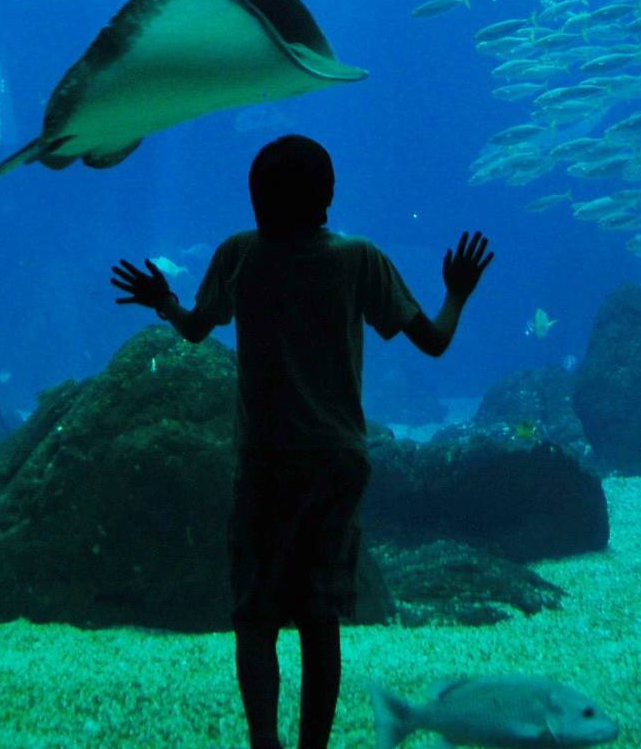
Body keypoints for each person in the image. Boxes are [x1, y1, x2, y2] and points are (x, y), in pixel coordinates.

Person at [110, 134, 493, 749]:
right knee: (320, 617)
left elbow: (192, 330)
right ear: (328, 198)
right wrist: (457, 292)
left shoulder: (239, 254)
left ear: (255, 198)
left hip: (265, 459)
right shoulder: (358, 259)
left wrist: (164, 302)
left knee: (255, 615)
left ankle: (265, 740)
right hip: (337, 460)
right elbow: (434, 341)